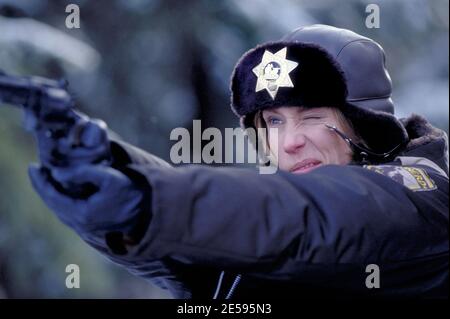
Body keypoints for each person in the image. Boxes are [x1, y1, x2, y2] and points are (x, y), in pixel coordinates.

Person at [27, 24, 448, 298]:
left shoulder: (420, 198)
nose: (289, 143)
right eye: (273, 122)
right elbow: (205, 260)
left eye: (313, 117)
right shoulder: (267, 225)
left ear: (366, 127)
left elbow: (314, 215)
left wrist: (149, 198)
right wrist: (111, 168)